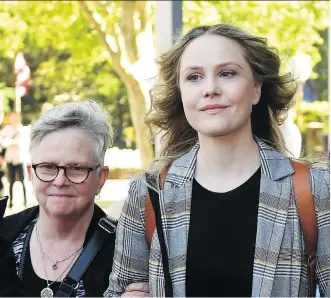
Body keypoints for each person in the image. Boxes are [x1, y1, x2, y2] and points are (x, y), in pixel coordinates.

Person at [104, 24, 330, 297]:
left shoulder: (315, 189)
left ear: (256, 89)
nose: (210, 88)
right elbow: (117, 292)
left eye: (227, 74)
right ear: (181, 92)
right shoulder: (150, 194)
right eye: (194, 77)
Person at [1, 100, 148, 297]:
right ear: (31, 173)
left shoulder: (128, 253)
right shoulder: (4, 235)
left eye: (77, 168)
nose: (60, 180)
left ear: (101, 178)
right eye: (48, 167)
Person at [1, 111, 27, 208]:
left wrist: (10, 142)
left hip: (19, 159)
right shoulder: (6, 129)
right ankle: (11, 202)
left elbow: (21, 142)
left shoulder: (22, 129)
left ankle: (25, 201)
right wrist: (11, 142)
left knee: (22, 181)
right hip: (10, 159)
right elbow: (3, 142)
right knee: (11, 182)